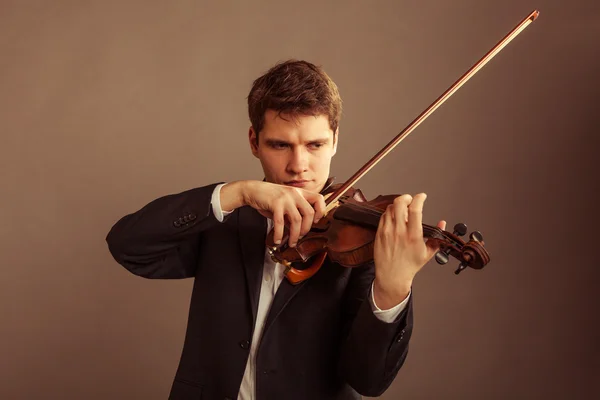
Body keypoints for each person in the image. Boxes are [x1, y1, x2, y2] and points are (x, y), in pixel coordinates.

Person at [105, 59, 446, 400]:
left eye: (315, 145)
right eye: (280, 145)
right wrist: (236, 192)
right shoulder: (227, 219)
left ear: (335, 140)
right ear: (255, 141)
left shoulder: (362, 243)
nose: (299, 166)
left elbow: (368, 380)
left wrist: (392, 289)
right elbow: (128, 246)